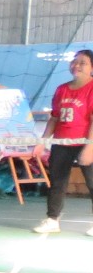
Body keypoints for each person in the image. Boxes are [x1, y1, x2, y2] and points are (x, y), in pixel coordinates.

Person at [33, 48, 93, 235]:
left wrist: (90, 147)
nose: (76, 65)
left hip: (86, 142)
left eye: (82, 63)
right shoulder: (62, 89)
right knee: (57, 182)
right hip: (61, 143)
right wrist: (42, 141)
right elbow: (54, 118)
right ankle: (52, 219)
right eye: (74, 61)